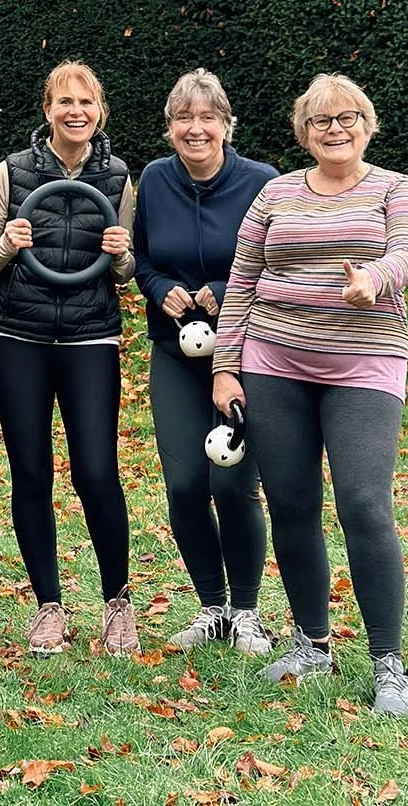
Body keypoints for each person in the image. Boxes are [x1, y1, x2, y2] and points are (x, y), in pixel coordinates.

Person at [213, 73, 408, 717]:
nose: (335, 130)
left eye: (347, 118)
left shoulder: (396, 188)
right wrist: (227, 366)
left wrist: (376, 279)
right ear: (302, 131)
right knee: (291, 502)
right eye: (320, 121)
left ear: (367, 124)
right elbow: (243, 275)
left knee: (364, 503)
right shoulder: (276, 193)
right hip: (273, 360)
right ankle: (313, 642)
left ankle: (388, 660)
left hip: (365, 362)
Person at [0, 60, 139, 657]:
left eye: (86, 103)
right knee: (31, 472)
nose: (75, 113)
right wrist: (8, 247)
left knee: (96, 471)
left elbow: (126, 268)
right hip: (18, 336)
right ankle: (49, 607)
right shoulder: (10, 173)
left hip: (90, 335)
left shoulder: (118, 176)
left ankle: (118, 603)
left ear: (100, 112)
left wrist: (119, 255)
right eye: (64, 102)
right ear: (47, 110)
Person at [134, 68, 278, 655]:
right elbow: (141, 256)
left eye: (207, 117)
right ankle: (212, 607)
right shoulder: (155, 180)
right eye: (183, 118)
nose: (196, 129)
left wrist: (226, 285)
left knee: (233, 482)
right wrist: (158, 285)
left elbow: (274, 262)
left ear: (226, 123)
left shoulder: (261, 183)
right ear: (170, 128)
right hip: (174, 353)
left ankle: (246, 609)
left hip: (244, 352)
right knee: (185, 485)